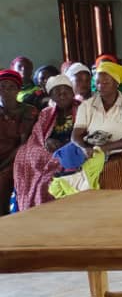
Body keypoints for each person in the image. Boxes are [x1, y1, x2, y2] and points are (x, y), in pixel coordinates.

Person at [13, 74, 79, 210]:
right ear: (52, 96)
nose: (62, 95)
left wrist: (67, 144)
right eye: (57, 92)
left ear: (72, 93)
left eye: (66, 91)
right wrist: (46, 141)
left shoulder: (82, 109)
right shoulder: (46, 113)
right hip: (49, 152)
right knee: (25, 157)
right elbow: (37, 136)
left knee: (48, 180)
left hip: (73, 150)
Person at [71, 61, 122, 163]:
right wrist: (85, 148)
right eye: (97, 83)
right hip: (94, 156)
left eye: (106, 82)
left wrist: (107, 147)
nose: (101, 86)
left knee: (113, 166)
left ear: (116, 83)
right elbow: (75, 136)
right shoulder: (86, 106)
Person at [0, 68, 38, 214]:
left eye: (11, 87)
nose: (6, 91)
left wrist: (2, 165)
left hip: (17, 158)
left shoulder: (29, 111)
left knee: (3, 181)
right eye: (2, 87)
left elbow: (23, 145)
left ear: (18, 90)